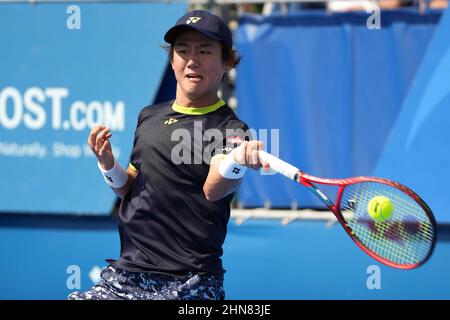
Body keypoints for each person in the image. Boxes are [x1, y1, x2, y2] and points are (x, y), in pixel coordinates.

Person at [68, 10, 269, 300]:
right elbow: (129, 187)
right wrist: (108, 164)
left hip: (191, 283)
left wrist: (237, 160)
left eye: (204, 50)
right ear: (172, 59)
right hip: (126, 276)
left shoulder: (232, 128)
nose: (192, 60)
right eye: (183, 50)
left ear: (227, 61)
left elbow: (214, 189)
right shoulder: (149, 116)